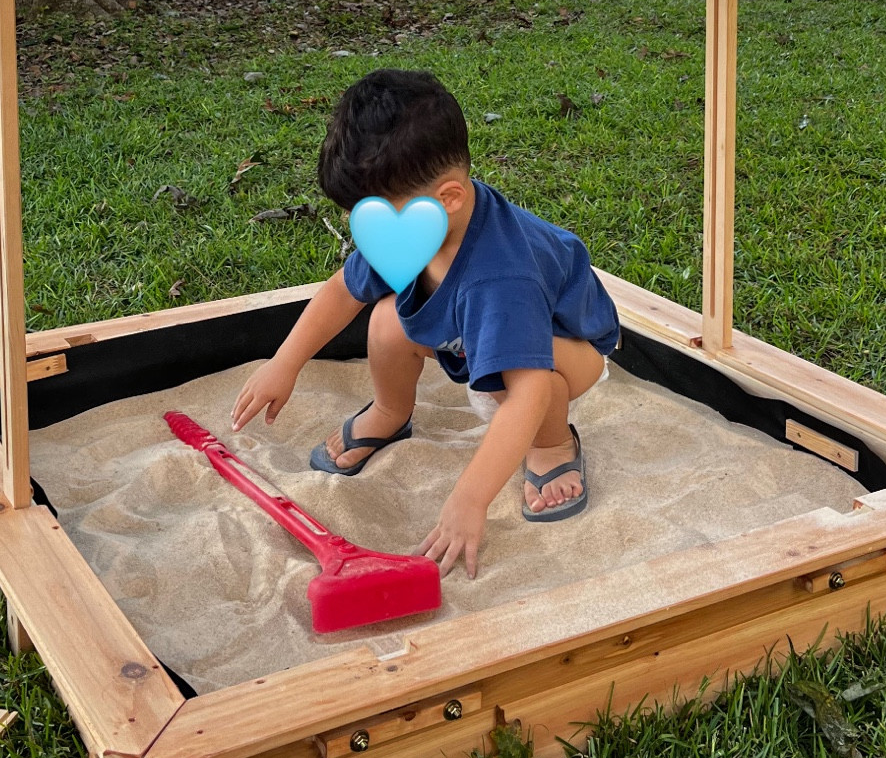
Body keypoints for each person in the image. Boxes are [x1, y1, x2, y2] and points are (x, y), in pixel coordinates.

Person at [232, 69, 620, 578]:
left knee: (528, 382)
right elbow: (342, 291)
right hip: (472, 329)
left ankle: (552, 445)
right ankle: (392, 411)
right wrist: (284, 364)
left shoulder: (502, 276)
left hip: (568, 347)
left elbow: (526, 392)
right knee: (388, 316)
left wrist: (470, 499)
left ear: (449, 198)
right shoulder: (415, 224)